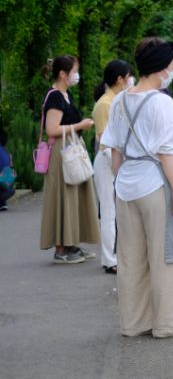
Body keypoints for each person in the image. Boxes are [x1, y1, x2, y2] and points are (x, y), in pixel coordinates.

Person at [103, 37, 173, 338]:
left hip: (126, 185)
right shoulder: (162, 102)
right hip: (154, 185)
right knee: (163, 257)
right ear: (162, 69)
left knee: (130, 259)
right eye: (172, 67)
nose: (172, 72)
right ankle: (165, 325)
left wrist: (119, 182)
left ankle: (133, 323)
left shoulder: (121, 99)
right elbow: (166, 152)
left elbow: (114, 149)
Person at [39, 55, 100, 264]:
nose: (76, 75)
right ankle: (61, 249)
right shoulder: (55, 96)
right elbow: (52, 129)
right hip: (62, 152)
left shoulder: (65, 95)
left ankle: (72, 244)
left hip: (71, 148)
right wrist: (80, 126)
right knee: (63, 196)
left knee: (73, 196)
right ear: (63, 74)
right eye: (74, 71)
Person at [93, 59, 135, 274]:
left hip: (118, 159)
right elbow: (104, 140)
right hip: (107, 160)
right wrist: (119, 168)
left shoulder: (118, 100)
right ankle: (109, 259)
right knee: (109, 212)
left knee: (118, 211)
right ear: (120, 79)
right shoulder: (104, 104)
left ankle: (118, 255)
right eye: (128, 76)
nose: (131, 80)